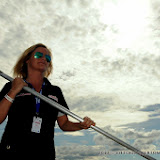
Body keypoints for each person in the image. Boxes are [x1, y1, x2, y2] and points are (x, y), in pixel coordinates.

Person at [0, 43, 95, 160]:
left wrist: (80, 125)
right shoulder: (10, 86)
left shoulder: (55, 91)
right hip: (12, 152)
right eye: (39, 55)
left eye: (48, 58)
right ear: (27, 60)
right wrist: (13, 91)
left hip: (45, 153)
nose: (44, 58)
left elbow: (64, 124)